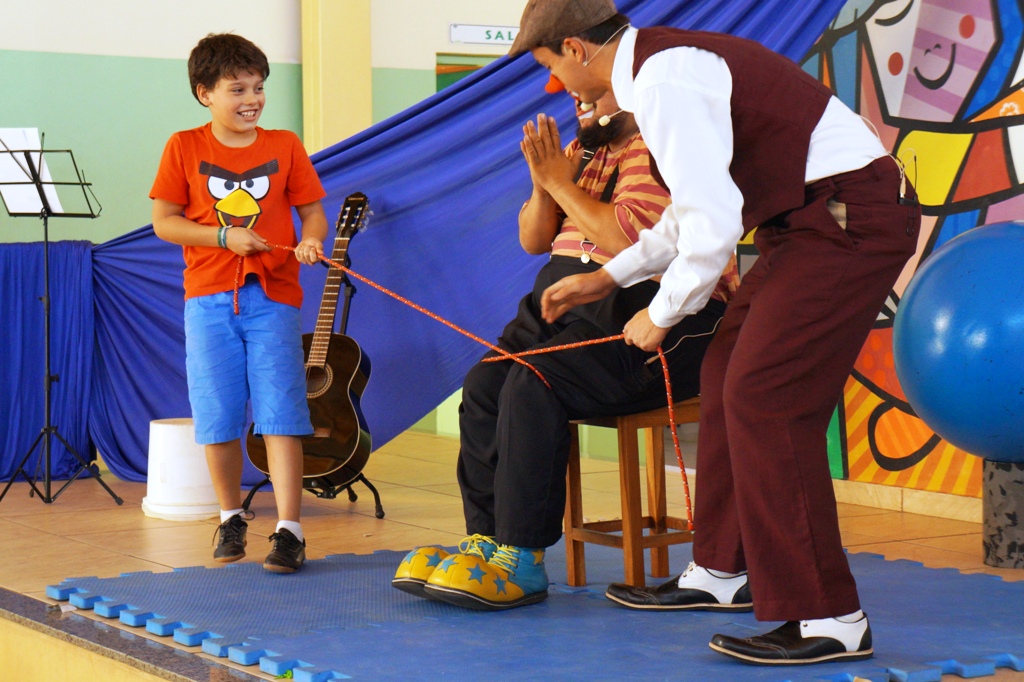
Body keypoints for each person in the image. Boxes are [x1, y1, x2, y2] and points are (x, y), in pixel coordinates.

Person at [510, 0, 921, 666]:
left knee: (767, 398)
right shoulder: (657, 73)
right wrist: (610, 278)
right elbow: (689, 212)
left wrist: (661, 313)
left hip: (849, 216)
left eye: (550, 66)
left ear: (577, 50)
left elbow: (714, 227)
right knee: (726, 372)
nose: (557, 86)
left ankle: (832, 616)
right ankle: (722, 572)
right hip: (805, 224)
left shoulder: (664, 80)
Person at [392, 84, 737, 610]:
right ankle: (486, 541)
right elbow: (534, 240)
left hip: (648, 307)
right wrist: (543, 185)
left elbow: (626, 242)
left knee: (534, 383)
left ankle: (522, 556)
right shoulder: (585, 154)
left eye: (590, 91)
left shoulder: (659, 146)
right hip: (563, 297)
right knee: (484, 384)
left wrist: (559, 183)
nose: (579, 102)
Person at [150, 33, 329, 574]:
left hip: (273, 298)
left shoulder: (286, 145)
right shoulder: (183, 146)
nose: (252, 99)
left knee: (281, 413)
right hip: (207, 300)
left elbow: (313, 212)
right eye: (237, 89)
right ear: (204, 93)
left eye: (258, 87)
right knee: (218, 414)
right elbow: (165, 222)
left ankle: (290, 531)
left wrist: (312, 239)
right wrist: (223, 237)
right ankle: (231, 517)